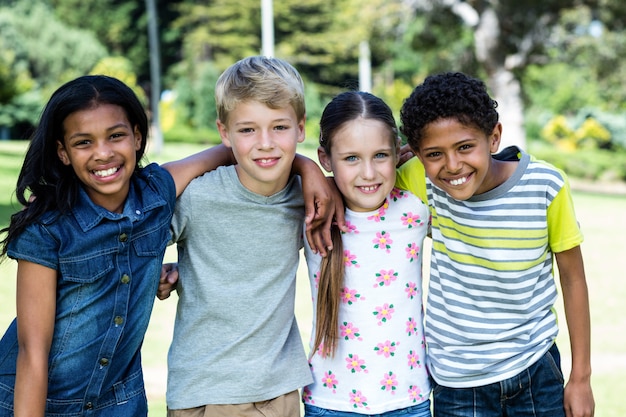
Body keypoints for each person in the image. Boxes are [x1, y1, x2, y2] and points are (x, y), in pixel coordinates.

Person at [0, 75, 233, 416]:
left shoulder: (157, 193)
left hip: (119, 403)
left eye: (116, 135)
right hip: (38, 402)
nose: (103, 153)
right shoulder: (47, 228)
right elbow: (32, 352)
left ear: (138, 137)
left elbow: (230, 152)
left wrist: (307, 168)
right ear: (63, 153)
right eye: (83, 142)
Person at [396, 72, 595, 417]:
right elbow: (353, 178)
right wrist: (309, 170)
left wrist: (580, 378)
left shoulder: (545, 186)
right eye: (434, 154)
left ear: (494, 137)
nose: (452, 165)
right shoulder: (419, 180)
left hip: (535, 368)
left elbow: (573, 280)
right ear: (416, 153)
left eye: (464, 147)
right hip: (457, 380)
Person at [164, 56, 313, 417]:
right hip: (202, 393)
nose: (265, 143)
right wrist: (155, 268)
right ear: (224, 132)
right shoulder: (198, 197)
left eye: (279, 127)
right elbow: (132, 243)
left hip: (277, 394)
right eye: (247, 130)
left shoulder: (305, 197)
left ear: (301, 129)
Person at [302, 91, 431, 417]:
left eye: (379, 156)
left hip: (409, 399)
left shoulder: (415, 207)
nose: (369, 173)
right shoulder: (310, 214)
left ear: (397, 153)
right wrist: (306, 169)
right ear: (326, 159)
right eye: (351, 158)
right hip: (329, 401)